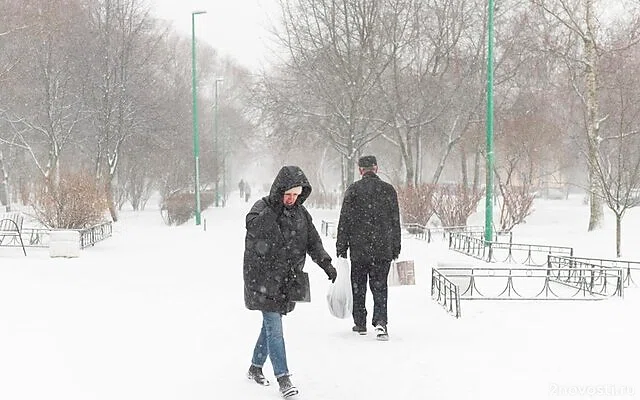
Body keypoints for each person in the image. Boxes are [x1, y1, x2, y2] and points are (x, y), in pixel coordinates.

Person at [243, 165, 337, 398]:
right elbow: (254, 228)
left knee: (269, 326)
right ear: (278, 190)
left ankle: (255, 367)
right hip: (262, 279)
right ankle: (283, 379)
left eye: (296, 195)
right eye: (287, 194)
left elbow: (313, 242)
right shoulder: (262, 207)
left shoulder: (301, 214)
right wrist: (274, 208)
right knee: (275, 328)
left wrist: (326, 264)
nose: (291, 199)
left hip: (286, 281)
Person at [336, 155, 401, 341]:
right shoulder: (388, 190)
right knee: (380, 286)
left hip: (359, 249)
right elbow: (395, 221)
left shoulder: (353, 190)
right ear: (376, 168)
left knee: (359, 286)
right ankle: (381, 322)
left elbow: (344, 221)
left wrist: (341, 247)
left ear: (360, 170)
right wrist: (396, 246)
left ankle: (360, 321)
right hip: (383, 249)